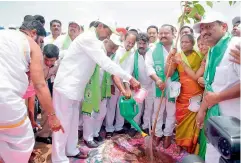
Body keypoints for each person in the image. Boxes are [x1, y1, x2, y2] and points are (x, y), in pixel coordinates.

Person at [51, 19, 140, 162]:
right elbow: (105, 63)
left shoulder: (94, 40)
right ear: (100, 26)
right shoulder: (88, 39)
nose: (108, 37)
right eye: (108, 32)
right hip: (66, 87)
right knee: (63, 124)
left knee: (72, 123)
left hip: (75, 89)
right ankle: (58, 158)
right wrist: (129, 78)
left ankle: (71, 149)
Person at [0, 19, 63, 163]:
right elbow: (39, 85)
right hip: (5, 98)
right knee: (23, 143)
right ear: (33, 33)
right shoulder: (30, 43)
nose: (40, 44)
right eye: (40, 41)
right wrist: (53, 117)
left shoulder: (2, 34)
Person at [193, 11, 240, 162]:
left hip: (234, 124)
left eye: (209, 26)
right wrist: (202, 110)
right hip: (214, 120)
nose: (204, 32)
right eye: (202, 29)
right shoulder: (212, 51)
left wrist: (219, 97)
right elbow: (210, 85)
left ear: (224, 27)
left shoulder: (236, 46)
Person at [82, 33, 130, 148]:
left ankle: (95, 133)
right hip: (91, 87)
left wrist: (121, 88)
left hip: (104, 88)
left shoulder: (115, 55)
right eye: (112, 47)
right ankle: (88, 138)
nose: (113, 50)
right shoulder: (97, 50)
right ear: (106, 41)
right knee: (90, 113)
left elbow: (115, 73)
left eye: (116, 48)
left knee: (102, 113)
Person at [169, 34, 203, 154]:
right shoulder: (177, 56)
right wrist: (170, 57)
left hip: (197, 92)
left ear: (193, 43)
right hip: (183, 93)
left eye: (187, 42)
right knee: (181, 119)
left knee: (196, 122)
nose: (183, 44)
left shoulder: (199, 54)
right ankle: (180, 143)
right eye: (182, 42)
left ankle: (192, 147)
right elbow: (168, 73)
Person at [145, 24, 177, 149]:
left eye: (166, 33)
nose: (163, 35)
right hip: (158, 84)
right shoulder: (152, 49)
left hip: (174, 84)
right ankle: (157, 134)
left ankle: (168, 134)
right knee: (157, 111)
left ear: (173, 34)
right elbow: (148, 66)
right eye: (161, 33)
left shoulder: (178, 47)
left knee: (171, 112)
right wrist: (157, 80)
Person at [105, 31, 137, 138]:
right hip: (114, 83)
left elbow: (128, 72)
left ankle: (119, 127)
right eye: (128, 42)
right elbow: (113, 71)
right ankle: (109, 128)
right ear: (124, 39)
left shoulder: (133, 53)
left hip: (124, 83)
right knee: (111, 106)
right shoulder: (118, 50)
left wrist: (126, 88)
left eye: (133, 43)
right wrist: (112, 85)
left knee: (121, 106)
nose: (130, 45)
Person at [128, 32, 154, 137]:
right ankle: (134, 127)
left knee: (149, 108)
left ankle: (146, 126)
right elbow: (129, 70)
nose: (141, 46)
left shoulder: (152, 53)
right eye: (139, 43)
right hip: (139, 86)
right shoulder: (133, 55)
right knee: (137, 108)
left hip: (152, 85)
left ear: (148, 43)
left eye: (144, 43)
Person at [35, 44, 60, 144]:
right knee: (30, 112)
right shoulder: (36, 62)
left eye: (52, 60)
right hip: (30, 87)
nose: (48, 63)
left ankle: (43, 135)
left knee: (47, 109)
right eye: (46, 59)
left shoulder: (59, 64)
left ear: (57, 59)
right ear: (42, 54)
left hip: (43, 87)